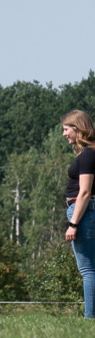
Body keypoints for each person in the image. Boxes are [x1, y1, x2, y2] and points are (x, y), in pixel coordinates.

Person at [62, 109, 95, 318]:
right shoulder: (89, 153)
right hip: (87, 212)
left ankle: (89, 316)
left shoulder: (89, 154)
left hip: (83, 212)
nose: (64, 134)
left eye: (66, 129)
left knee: (88, 270)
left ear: (78, 129)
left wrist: (73, 224)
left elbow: (84, 191)